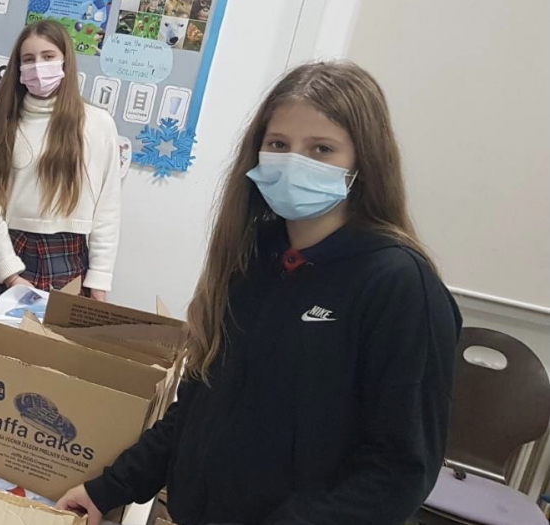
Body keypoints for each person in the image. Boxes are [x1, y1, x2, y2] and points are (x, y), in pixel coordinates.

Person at [58, 61, 462, 525]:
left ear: (363, 162)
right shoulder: (249, 259)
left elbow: (399, 470)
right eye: (279, 145)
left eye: (322, 149)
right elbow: (198, 408)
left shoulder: (400, 286)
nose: (294, 162)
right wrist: (109, 489)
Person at [0, 20, 121, 318]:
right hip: (11, 251)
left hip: (69, 257)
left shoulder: (98, 124)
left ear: (65, 61)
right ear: (18, 67)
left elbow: (107, 209)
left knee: (57, 346)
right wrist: (11, 274)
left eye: (48, 57)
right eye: (29, 59)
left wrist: (99, 279)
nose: (38, 67)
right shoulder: (4, 122)